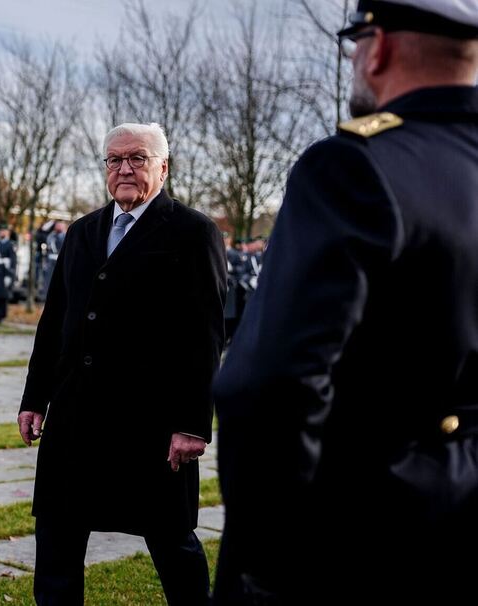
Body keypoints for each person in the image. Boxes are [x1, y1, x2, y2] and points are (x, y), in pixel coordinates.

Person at [212, 2, 478, 604]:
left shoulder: (355, 166)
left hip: (357, 544)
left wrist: (272, 563)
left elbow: (269, 386)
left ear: (377, 45)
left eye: (355, 42)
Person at [18, 122, 226, 606]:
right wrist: (35, 398)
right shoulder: (83, 231)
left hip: (149, 422)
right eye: (114, 160)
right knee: (57, 540)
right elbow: (54, 323)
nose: (124, 169)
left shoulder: (194, 232)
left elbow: (205, 336)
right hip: (75, 416)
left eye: (138, 158)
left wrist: (193, 424)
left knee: (171, 540)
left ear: (163, 167)